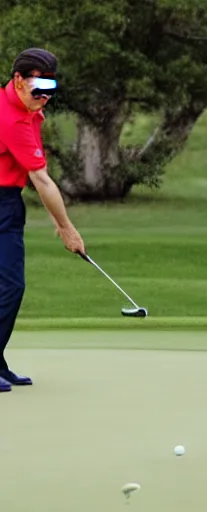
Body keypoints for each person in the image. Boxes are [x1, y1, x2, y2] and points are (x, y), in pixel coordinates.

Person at [0, 48, 86, 392]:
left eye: (50, 89)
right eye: (39, 88)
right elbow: (42, 180)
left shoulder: (26, 108)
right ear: (18, 81)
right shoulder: (12, 118)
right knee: (8, 286)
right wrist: (66, 228)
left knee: (9, 286)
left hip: (7, 202)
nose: (45, 97)